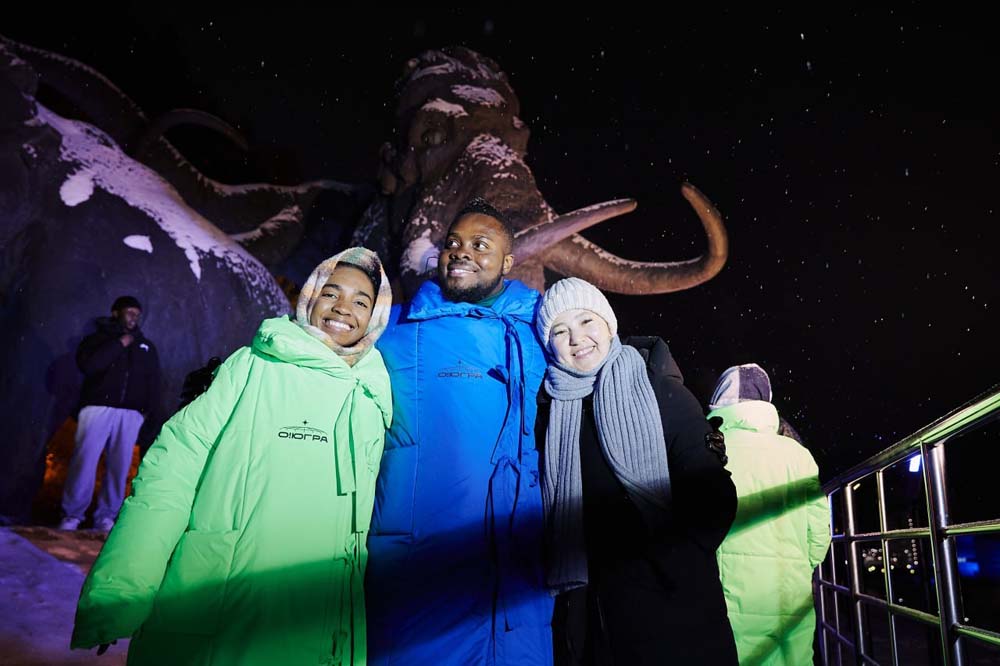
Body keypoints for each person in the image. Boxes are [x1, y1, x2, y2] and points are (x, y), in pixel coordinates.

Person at [70, 248, 393, 665]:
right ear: (311, 296)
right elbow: (171, 474)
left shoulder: (373, 395)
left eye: (361, 301)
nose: (343, 308)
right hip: (224, 613)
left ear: (376, 316)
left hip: (316, 626)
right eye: (331, 292)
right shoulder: (250, 367)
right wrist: (121, 591)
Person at [366, 199, 554, 665]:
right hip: (420, 568)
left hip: (516, 565)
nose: (461, 251)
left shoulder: (544, 332)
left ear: (508, 263)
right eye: (453, 242)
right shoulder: (392, 328)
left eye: (480, 244)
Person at [534, 277, 738, 665]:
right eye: (560, 331)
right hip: (591, 615)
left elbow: (713, 495)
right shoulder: (549, 412)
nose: (576, 339)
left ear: (608, 324)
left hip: (672, 606)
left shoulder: (659, 390)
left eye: (586, 321)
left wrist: (673, 560)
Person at [709, 363, 831, 666]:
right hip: (788, 594)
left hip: (723, 595)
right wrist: (798, 565)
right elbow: (819, 535)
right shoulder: (798, 455)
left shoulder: (708, 450)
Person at [59, 295, 160, 532]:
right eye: (130, 312)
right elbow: (89, 366)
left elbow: (154, 381)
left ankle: (106, 516)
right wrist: (119, 344)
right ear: (116, 313)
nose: (134, 318)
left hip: (130, 414)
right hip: (97, 408)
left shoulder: (146, 346)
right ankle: (72, 515)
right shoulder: (97, 339)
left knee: (119, 467)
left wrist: (145, 412)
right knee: (84, 461)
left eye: (137, 314)